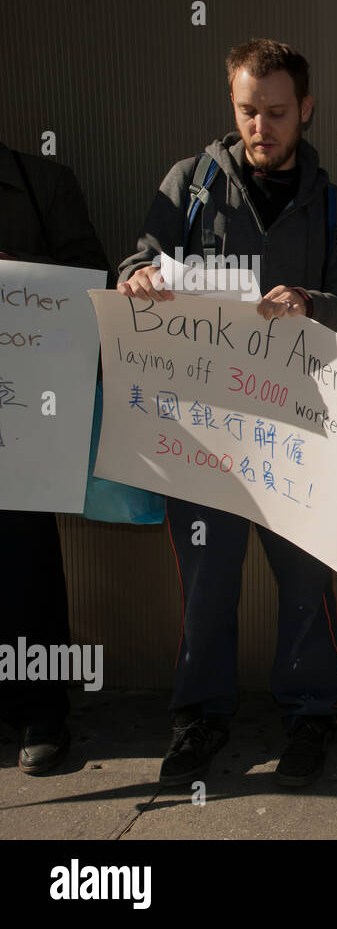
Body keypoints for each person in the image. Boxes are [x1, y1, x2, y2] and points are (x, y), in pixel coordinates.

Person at [116, 39, 337, 788]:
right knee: (207, 582)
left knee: (305, 583)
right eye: (248, 111)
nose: (262, 126)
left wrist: (309, 303)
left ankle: (313, 714)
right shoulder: (190, 184)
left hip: (296, 429)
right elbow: (139, 260)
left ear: (307, 110)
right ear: (234, 107)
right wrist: (136, 279)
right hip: (200, 431)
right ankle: (200, 717)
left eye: (278, 112)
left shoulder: (333, 207)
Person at [0, 141, 110, 774]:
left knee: (24, 558)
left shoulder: (40, 181)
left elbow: (90, 277)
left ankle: (41, 709)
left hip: (21, 413)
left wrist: (19, 272)